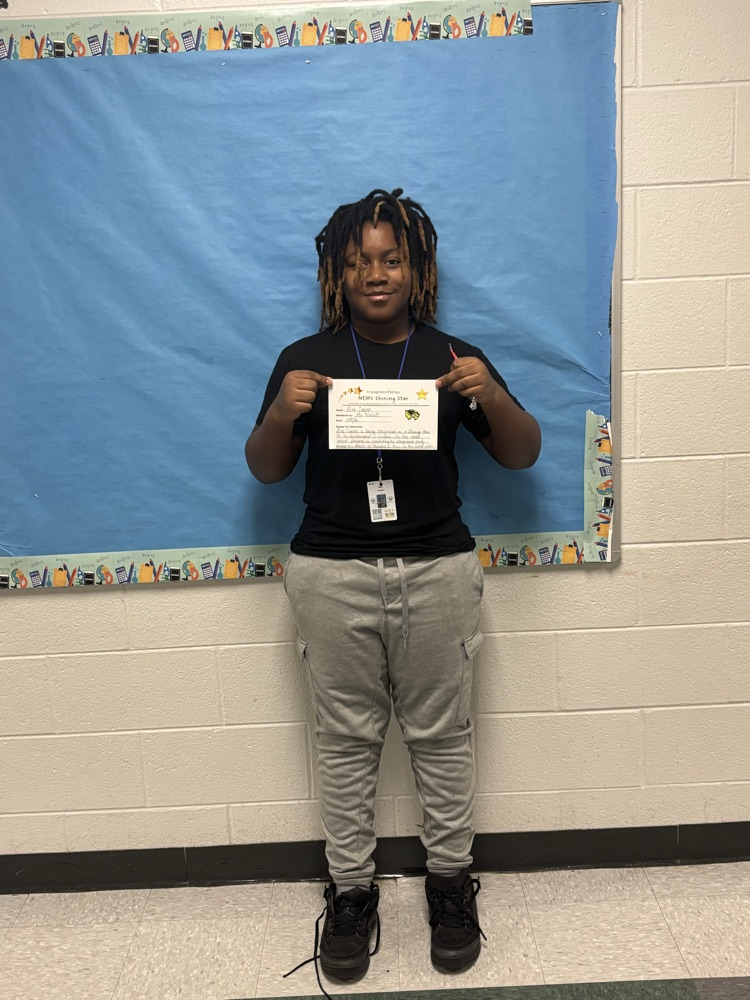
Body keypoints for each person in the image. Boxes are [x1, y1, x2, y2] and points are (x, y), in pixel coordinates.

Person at [245, 188, 541, 986]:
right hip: (330, 572)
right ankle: (350, 893)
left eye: (391, 258)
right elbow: (266, 466)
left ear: (417, 269)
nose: (376, 273)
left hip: (438, 569)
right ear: (337, 274)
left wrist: (492, 393)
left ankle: (450, 884)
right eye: (358, 261)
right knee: (344, 744)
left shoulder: (454, 358)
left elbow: (520, 454)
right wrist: (282, 410)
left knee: (442, 738)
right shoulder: (304, 360)